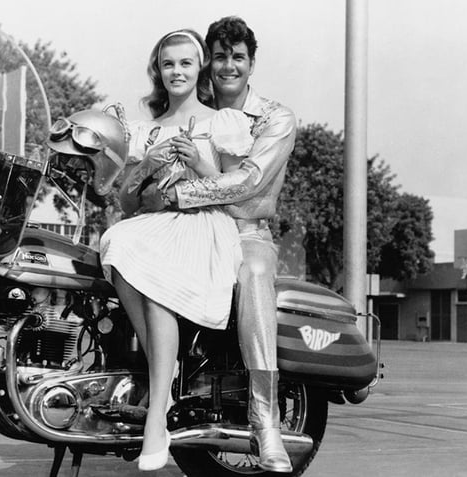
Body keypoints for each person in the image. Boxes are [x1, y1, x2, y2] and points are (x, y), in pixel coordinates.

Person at [139, 16, 297, 473]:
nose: (229, 66)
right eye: (221, 56)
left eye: (238, 57)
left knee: (254, 274)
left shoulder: (275, 117)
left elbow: (249, 182)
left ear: (252, 63)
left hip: (246, 232)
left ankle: (266, 423)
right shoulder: (193, 109)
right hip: (190, 226)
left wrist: (180, 194)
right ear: (210, 62)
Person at [99, 28, 255, 471]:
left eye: (186, 63)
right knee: (117, 242)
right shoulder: (146, 129)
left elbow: (236, 193)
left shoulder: (223, 122)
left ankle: (156, 414)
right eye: (168, 64)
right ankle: (162, 388)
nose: (177, 71)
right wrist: (146, 166)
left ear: (199, 67)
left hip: (203, 226)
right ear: (158, 71)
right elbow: (127, 203)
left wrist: (198, 163)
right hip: (152, 224)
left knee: (150, 263)